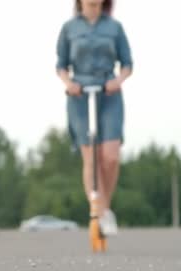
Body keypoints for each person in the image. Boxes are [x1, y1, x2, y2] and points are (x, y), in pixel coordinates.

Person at [55, 0, 133, 235]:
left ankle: (105, 208)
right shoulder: (69, 28)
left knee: (109, 156)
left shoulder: (114, 27)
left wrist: (117, 81)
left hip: (109, 93)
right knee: (91, 156)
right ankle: (98, 212)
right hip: (80, 95)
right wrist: (69, 83)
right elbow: (61, 65)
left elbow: (127, 64)